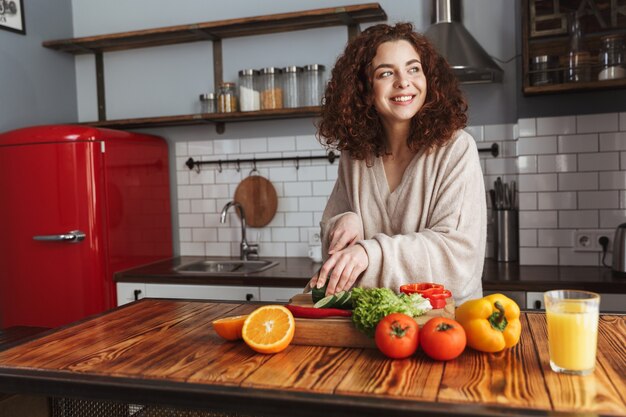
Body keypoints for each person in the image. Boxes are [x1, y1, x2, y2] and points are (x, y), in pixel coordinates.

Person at [308, 22, 486, 305]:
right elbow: (332, 237)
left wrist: (371, 253)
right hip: (376, 326)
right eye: (386, 73)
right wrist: (345, 221)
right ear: (364, 88)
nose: (404, 82)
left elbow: (458, 259)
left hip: (446, 327)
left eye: (414, 68)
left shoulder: (456, 148)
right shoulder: (356, 155)